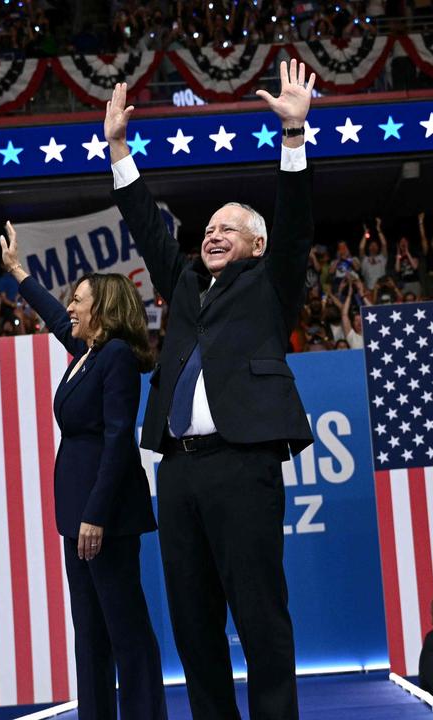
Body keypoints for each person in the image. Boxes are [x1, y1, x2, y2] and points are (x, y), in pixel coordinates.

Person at [102, 61, 316, 720]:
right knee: (194, 628)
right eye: (210, 228)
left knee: (259, 618)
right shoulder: (188, 284)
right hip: (182, 471)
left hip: (243, 462)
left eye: (229, 228)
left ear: (255, 244)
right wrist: (118, 151)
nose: (213, 233)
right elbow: (146, 228)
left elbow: (297, 221)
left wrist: (294, 138)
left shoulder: (272, 283)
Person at [0, 223, 167, 720]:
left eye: (79, 300)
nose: (69, 307)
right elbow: (52, 316)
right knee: (90, 632)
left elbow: (119, 439)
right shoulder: (86, 353)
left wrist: (95, 515)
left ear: (104, 309)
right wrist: (19, 273)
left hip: (105, 518)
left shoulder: (114, 356)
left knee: (126, 629)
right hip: (77, 517)